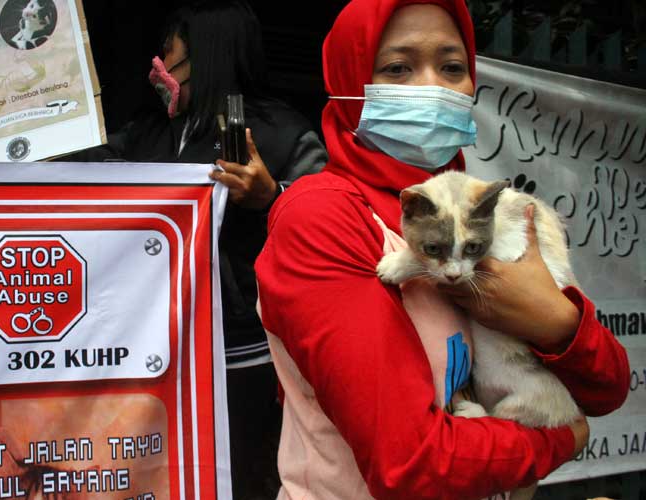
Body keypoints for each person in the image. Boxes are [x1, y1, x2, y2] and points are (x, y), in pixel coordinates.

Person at [0, 1, 327, 497]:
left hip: (242, 359)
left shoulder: (285, 133)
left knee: (238, 477)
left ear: (205, 55)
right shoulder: (148, 132)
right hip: (153, 354)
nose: (158, 67)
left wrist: (273, 198)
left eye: (168, 53)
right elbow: (60, 158)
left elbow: (329, 232)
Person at [253, 0, 630, 499]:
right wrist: (558, 440)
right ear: (348, 81)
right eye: (397, 68)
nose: (432, 86)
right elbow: (411, 464)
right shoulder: (322, 219)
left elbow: (608, 388)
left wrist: (552, 321)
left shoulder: (476, 213)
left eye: (452, 67)